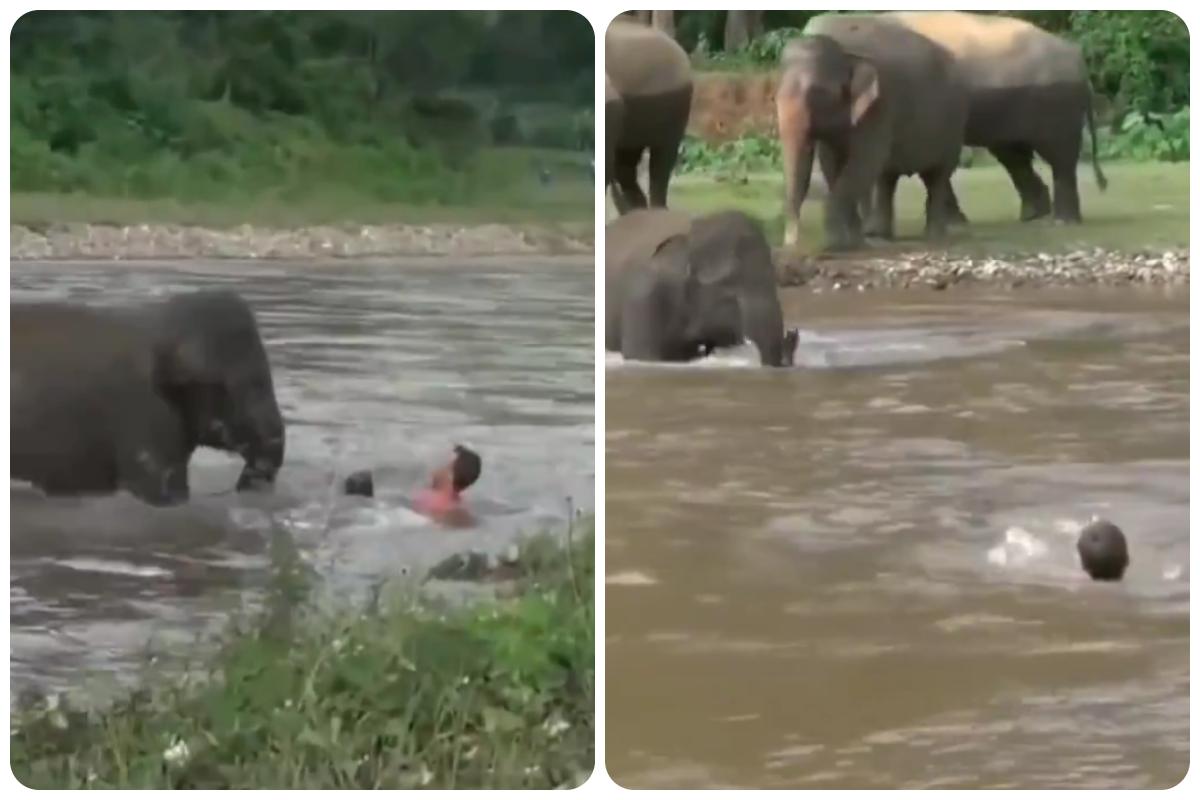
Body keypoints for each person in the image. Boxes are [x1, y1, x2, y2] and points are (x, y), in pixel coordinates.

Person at [412, 444, 481, 528]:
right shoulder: (460, 503)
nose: (435, 467)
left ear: (449, 475)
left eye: (443, 463)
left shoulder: (430, 501)